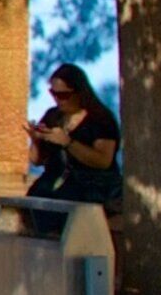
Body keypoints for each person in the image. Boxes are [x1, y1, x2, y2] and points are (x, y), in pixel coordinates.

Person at [18, 64, 123, 204]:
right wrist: (36, 140)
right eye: (53, 93)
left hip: (91, 187)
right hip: (53, 185)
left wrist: (68, 143)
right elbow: (37, 161)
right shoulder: (52, 115)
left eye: (63, 95)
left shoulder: (100, 119)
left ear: (79, 92)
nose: (57, 99)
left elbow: (103, 161)